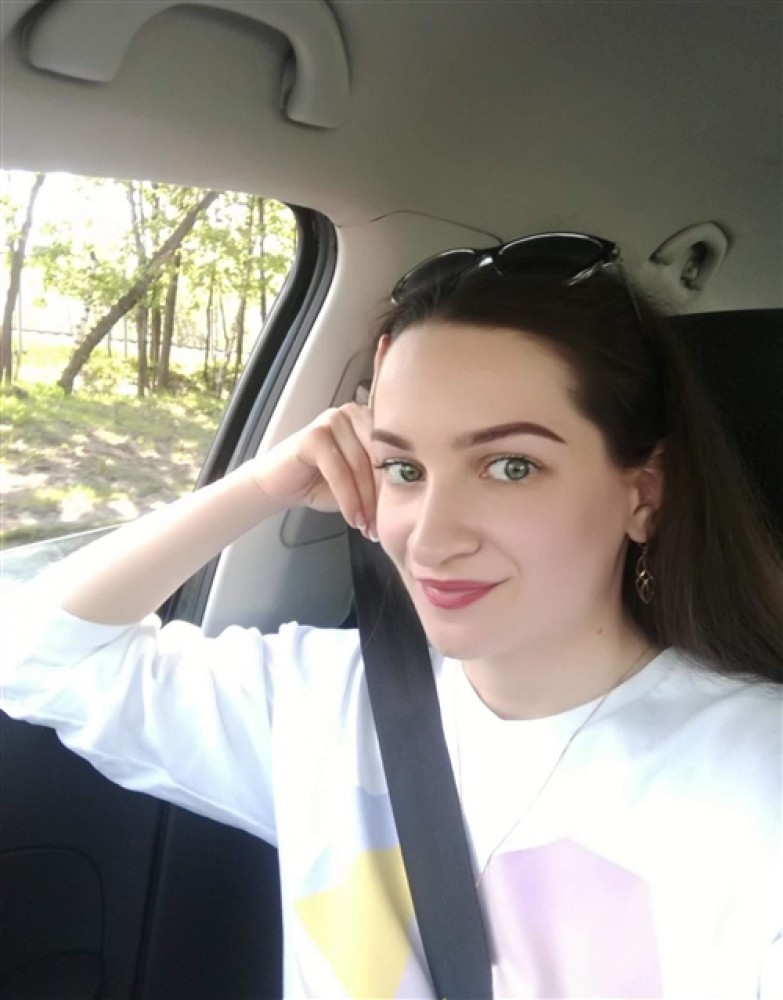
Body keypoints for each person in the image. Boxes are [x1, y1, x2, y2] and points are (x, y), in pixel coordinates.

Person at [3, 233, 782, 999]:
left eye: (510, 466)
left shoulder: (752, 779)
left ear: (643, 493)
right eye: (403, 467)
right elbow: (37, 657)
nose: (430, 538)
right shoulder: (318, 702)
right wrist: (260, 485)